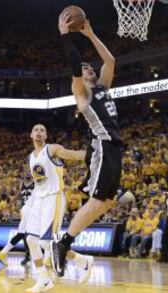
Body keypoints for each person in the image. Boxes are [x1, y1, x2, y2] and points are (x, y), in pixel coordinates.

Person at [51, 12, 122, 278]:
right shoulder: (82, 93)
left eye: (90, 67)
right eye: (85, 68)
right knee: (96, 202)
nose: (89, 68)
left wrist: (90, 34)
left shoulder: (103, 87)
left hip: (115, 148)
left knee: (104, 205)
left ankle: (65, 242)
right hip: (103, 145)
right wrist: (65, 36)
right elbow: (73, 63)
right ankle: (63, 243)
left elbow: (110, 60)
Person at [25, 124, 93, 293]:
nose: (39, 132)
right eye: (36, 130)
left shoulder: (52, 149)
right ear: (31, 135)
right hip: (38, 199)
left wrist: (95, 154)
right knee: (31, 240)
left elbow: (74, 155)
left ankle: (82, 261)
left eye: (42, 130)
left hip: (53, 198)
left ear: (46, 135)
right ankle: (44, 279)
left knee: (46, 242)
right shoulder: (30, 157)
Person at [0, 173, 33, 266]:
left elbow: (17, 195)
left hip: (26, 210)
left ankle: (3, 253)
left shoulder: (27, 183)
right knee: (32, 235)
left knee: (22, 234)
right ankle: (46, 258)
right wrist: (8, 205)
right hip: (31, 210)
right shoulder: (31, 183)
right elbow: (17, 195)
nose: (27, 174)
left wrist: (9, 205)